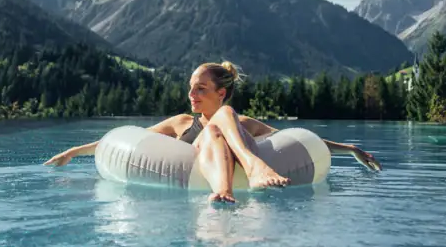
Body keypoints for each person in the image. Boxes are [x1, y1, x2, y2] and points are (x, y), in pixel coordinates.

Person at [44, 61, 382, 203]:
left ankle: (242, 174)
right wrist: (74, 152)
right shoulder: (180, 124)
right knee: (215, 128)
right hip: (197, 188)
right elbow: (129, 140)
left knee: (224, 119)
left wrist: (349, 148)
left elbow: (295, 139)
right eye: (191, 88)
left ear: (221, 92)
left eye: (200, 89)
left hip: (235, 185)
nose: (192, 95)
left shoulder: (242, 122)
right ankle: (241, 175)